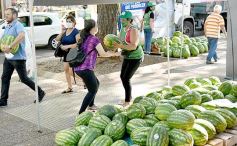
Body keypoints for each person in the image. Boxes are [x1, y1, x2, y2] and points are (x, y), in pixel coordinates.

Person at [0, 8, 45, 107]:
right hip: (9, 58)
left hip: (18, 58)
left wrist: (10, 46)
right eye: (5, 14)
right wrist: (3, 46)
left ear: (14, 15)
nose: (6, 16)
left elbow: (21, 36)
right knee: (4, 78)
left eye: (8, 14)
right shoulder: (7, 26)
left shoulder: (18, 25)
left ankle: (40, 92)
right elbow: (4, 40)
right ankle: (3, 100)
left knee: (24, 78)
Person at [74, 19, 118, 114]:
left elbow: (92, 52)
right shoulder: (94, 39)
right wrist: (114, 54)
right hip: (85, 69)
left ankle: (91, 105)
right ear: (93, 28)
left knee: (96, 84)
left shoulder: (84, 37)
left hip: (78, 68)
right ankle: (81, 113)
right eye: (96, 25)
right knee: (92, 90)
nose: (97, 27)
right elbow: (102, 53)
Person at [113, 11, 144, 107]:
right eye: (121, 19)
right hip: (127, 56)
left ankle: (127, 101)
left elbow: (133, 46)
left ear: (129, 20)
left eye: (123, 19)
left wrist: (120, 45)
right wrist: (113, 46)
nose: (121, 21)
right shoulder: (123, 29)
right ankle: (129, 97)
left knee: (126, 78)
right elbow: (118, 40)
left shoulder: (133, 30)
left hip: (135, 57)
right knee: (122, 76)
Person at [55, 15, 80, 94]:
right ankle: (69, 87)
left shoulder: (76, 31)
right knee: (66, 69)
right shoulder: (65, 31)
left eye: (70, 21)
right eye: (67, 21)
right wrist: (62, 32)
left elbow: (78, 44)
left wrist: (67, 46)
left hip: (73, 52)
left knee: (72, 70)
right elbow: (57, 39)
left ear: (74, 23)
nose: (68, 23)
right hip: (65, 53)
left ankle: (84, 80)